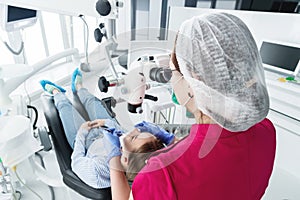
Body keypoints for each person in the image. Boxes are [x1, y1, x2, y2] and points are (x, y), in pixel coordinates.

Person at [107, 13, 276, 200]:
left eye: (172, 73)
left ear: (193, 81)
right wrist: (177, 145)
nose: (171, 81)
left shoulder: (159, 177)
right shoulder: (266, 130)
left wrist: (114, 163)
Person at [39, 68, 174, 189]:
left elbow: (77, 161)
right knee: (93, 102)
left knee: (64, 107)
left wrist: (82, 133)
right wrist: (107, 123)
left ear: (125, 159)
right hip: (104, 129)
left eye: (134, 137)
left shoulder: (97, 172)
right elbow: (121, 134)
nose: (135, 130)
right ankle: (79, 88)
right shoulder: (131, 152)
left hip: (87, 141)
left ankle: (57, 93)